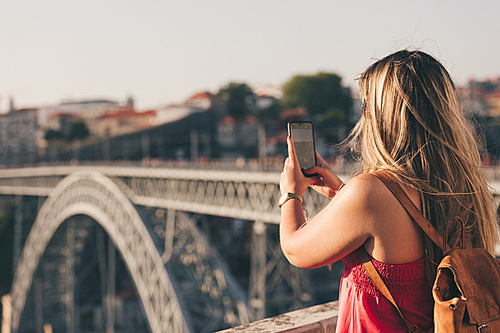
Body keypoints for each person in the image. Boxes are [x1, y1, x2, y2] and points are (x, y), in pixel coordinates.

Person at [279, 49, 499, 332]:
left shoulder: (370, 193)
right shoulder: (467, 186)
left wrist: (291, 193)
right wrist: (342, 194)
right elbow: (402, 229)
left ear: (382, 116)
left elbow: (296, 251)